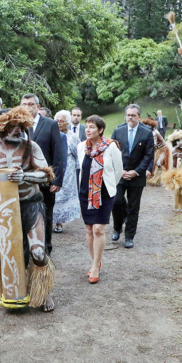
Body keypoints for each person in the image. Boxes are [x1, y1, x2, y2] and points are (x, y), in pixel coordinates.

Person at [0, 107, 56, 311]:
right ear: (1, 128)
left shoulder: (31, 147)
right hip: (3, 208)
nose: (16, 131)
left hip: (30, 203)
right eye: (12, 127)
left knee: (38, 252)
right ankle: (9, 290)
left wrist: (25, 176)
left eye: (20, 127)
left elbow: (46, 175)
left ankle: (43, 293)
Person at [77, 116, 123, 283]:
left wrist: (107, 187)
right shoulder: (82, 147)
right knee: (89, 229)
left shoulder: (111, 147)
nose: (88, 130)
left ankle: (95, 266)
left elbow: (119, 171)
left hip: (104, 193)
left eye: (91, 127)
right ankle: (95, 261)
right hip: (85, 193)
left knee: (98, 229)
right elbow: (80, 169)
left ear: (100, 129)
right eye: (86, 127)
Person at [20, 94, 65, 254]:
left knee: (45, 215)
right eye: (24, 104)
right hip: (23, 182)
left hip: (45, 180)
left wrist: (57, 180)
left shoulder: (50, 124)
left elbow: (58, 154)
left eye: (30, 104)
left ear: (37, 107)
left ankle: (46, 250)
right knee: (24, 216)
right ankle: (26, 252)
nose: (27, 107)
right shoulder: (17, 125)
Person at [110, 104, 154, 249]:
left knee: (134, 207)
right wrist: (120, 170)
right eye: (128, 115)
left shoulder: (147, 133)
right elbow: (111, 153)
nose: (130, 117)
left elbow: (148, 156)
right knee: (116, 202)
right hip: (120, 174)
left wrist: (136, 171)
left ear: (139, 117)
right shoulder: (118, 131)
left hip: (137, 175)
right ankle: (117, 228)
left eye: (133, 115)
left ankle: (129, 236)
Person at [52, 110, 80, 233]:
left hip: (67, 172)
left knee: (62, 196)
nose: (58, 123)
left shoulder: (72, 137)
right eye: (57, 121)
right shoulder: (51, 134)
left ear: (68, 123)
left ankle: (59, 222)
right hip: (53, 169)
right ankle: (49, 220)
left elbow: (78, 154)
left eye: (61, 121)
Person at [162, 130, 182, 211]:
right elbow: (174, 167)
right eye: (178, 141)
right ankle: (180, 205)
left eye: (181, 140)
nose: (180, 142)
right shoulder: (175, 151)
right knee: (179, 187)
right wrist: (174, 176)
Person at [143, 118, 169, 187]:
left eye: (149, 125)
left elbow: (153, 144)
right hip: (155, 149)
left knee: (158, 163)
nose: (147, 126)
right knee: (151, 163)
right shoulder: (146, 132)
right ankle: (151, 177)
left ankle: (160, 178)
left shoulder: (154, 132)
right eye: (146, 125)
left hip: (162, 149)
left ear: (152, 125)